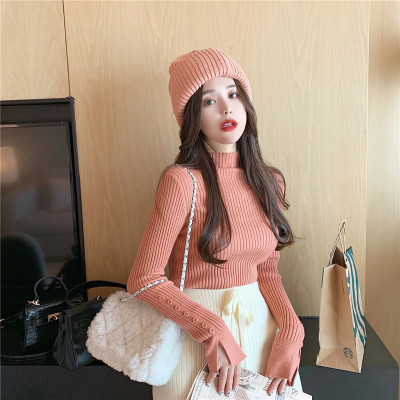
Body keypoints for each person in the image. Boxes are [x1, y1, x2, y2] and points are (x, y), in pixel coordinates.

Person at [127, 48, 305, 400]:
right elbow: (143, 278)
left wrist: (291, 331)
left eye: (233, 94)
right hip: (196, 335)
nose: (226, 108)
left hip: (262, 332)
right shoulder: (182, 182)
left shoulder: (270, 182)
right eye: (209, 101)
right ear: (192, 118)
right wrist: (211, 330)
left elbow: (267, 270)